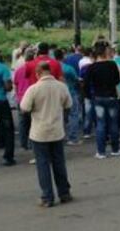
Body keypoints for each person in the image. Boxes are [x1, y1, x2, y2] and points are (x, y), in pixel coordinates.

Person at [19, 62, 73, 208]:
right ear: (50, 72)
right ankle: (64, 193)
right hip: (57, 130)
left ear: (37, 74)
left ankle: (47, 197)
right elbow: (68, 104)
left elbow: (24, 107)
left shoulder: (34, 89)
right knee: (59, 162)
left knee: (42, 164)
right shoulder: (61, 87)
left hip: (39, 132)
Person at [83, 42, 120, 159]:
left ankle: (101, 152)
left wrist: (88, 96)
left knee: (100, 124)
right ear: (105, 53)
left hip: (98, 97)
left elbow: (86, 84)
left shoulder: (91, 67)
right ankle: (115, 149)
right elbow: (117, 80)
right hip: (111, 96)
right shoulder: (112, 64)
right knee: (113, 123)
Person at [56, 49, 82, 145]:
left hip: (57, 94)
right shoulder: (68, 68)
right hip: (70, 92)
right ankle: (73, 137)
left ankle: (60, 137)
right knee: (73, 115)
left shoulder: (53, 68)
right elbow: (76, 79)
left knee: (60, 116)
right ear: (63, 56)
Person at [13, 49, 36, 151]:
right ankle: (32, 143)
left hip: (21, 98)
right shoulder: (36, 69)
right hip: (32, 98)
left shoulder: (19, 70)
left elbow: (16, 84)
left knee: (22, 122)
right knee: (33, 122)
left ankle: (23, 143)